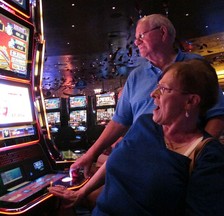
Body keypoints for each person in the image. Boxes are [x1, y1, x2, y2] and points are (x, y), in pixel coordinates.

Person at [48, 59, 224, 215]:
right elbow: (117, 159)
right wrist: (81, 192)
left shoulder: (208, 155)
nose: (153, 94)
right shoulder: (145, 124)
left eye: (163, 89)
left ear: (191, 101)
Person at [71, 14, 224, 178]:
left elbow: (218, 114)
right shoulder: (136, 75)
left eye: (141, 36)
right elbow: (119, 121)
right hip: (137, 160)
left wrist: (195, 156)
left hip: (177, 163)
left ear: (163, 33)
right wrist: (91, 154)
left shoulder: (195, 67)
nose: (136, 42)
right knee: (81, 195)